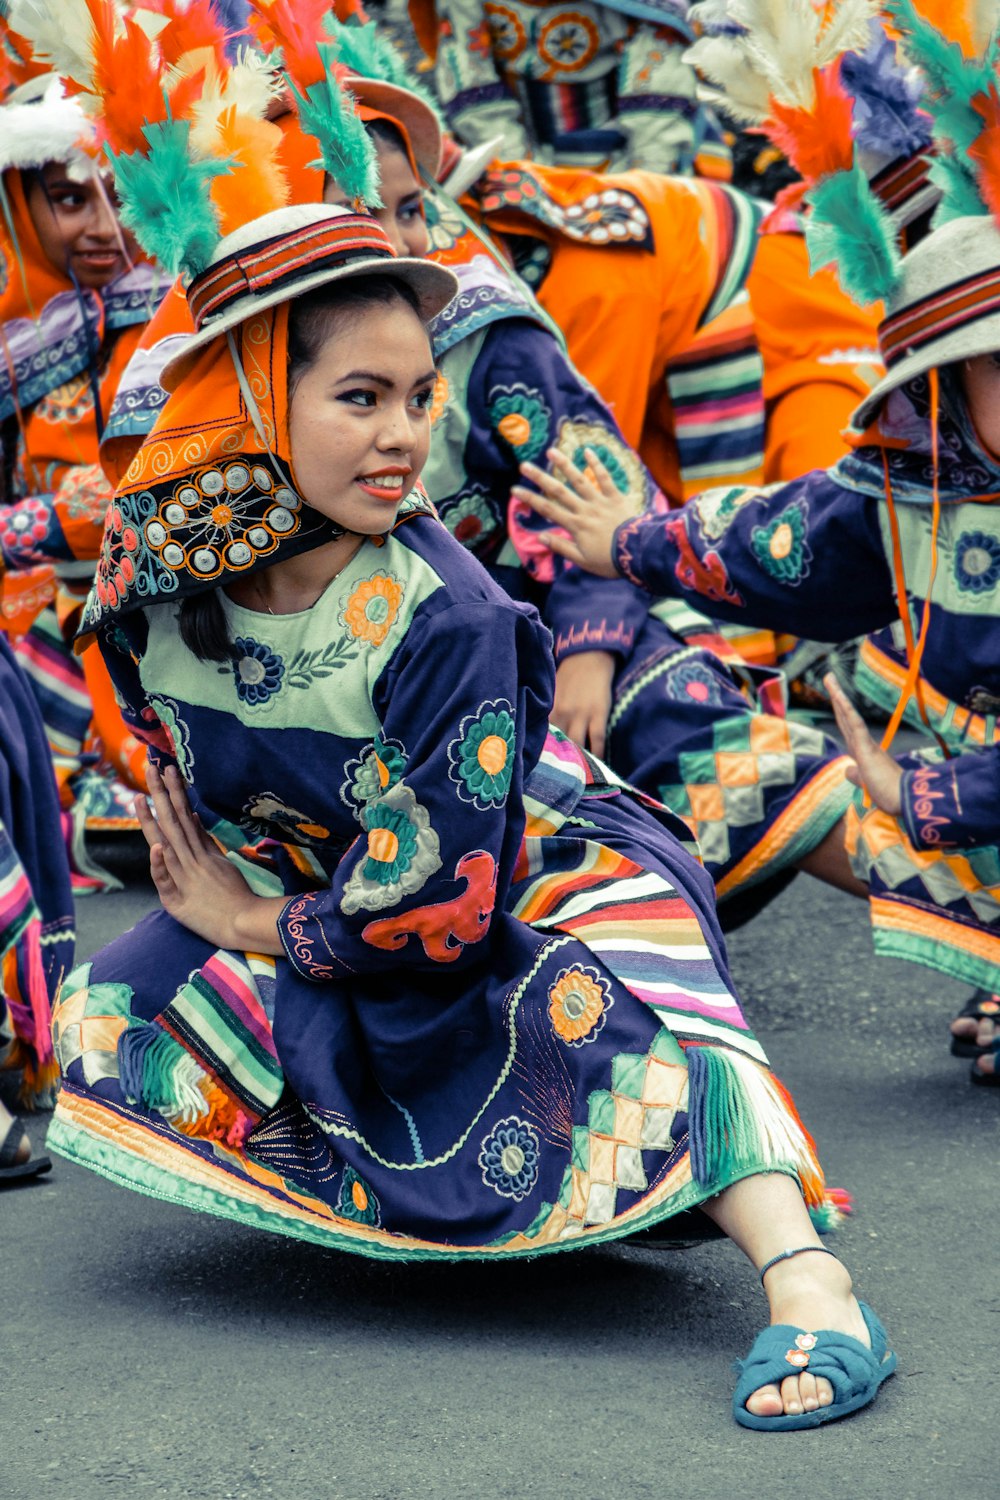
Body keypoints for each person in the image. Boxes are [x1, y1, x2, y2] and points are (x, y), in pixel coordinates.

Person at [43, 5, 891, 1419]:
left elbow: (448, 885)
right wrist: (231, 875)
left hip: (515, 846)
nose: (405, 432)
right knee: (100, 1030)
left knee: (641, 1028)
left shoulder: (451, 597)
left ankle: (808, 1280)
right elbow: (190, 757)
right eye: (361, 397)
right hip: (346, 854)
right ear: (248, 395)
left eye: (417, 399)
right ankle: (413, 1179)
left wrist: (260, 922)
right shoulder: (153, 576)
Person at [511, 206, 1000, 1086]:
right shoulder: (909, 494)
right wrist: (630, 543)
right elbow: (779, 543)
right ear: (948, 384)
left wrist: (926, 790)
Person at [0, 68, 167, 888]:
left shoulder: (181, 314)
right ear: (18, 206)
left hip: (159, 592)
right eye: (71, 201)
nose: (107, 229)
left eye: (122, 199)